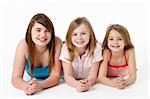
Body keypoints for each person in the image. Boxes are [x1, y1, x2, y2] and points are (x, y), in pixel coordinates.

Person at [11, 13, 62, 95]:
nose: (43, 35)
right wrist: (27, 87)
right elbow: (15, 78)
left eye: (47, 31)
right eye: (38, 30)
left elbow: (56, 76)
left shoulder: (57, 42)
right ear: (30, 31)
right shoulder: (23, 45)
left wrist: (39, 85)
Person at [59, 17, 103, 92]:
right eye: (75, 34)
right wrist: (77, 84)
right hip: (73, 80)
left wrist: (87, 83)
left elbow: (93, 74)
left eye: (83, 33)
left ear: (90, 35)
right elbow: (68, 76)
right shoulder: (66, 48)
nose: (79, 38)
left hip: (89, 80)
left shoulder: (96, 48)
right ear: (70, 36)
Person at [98, 24, 136, 89]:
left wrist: (125, 83)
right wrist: (115, 84)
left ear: (126, 42)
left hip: (122, 78)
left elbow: (133, 76)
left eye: (120, 39)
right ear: (107, 42)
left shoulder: (129, 52)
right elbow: (101, 77)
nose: (115, 42)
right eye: (111, 39)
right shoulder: (106, 52)